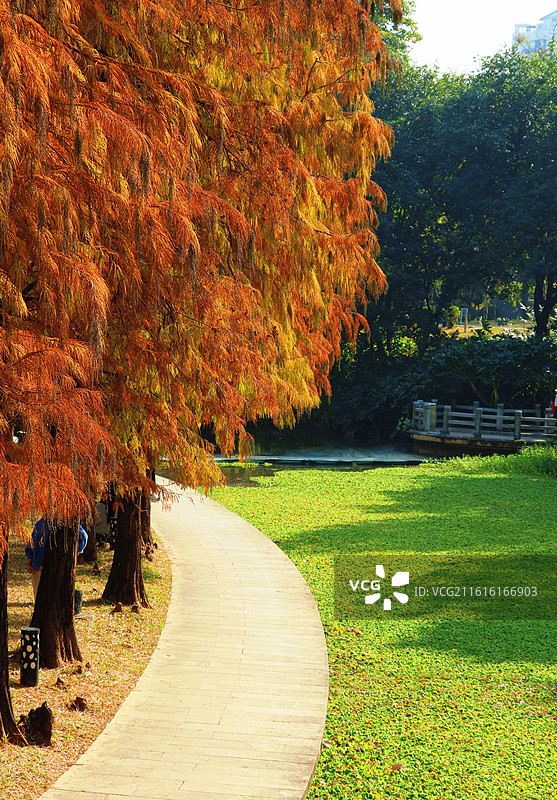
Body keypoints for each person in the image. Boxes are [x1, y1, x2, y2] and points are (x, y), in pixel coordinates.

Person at [26, 517, 88, 600]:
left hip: (56, 570)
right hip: (37, 570)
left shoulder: (65, 523)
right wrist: (29, 563)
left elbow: (83, 536)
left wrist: (74, 554)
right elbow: (31, 544)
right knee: (39, 601)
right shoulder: (39, 524)